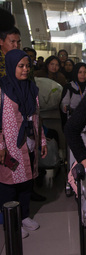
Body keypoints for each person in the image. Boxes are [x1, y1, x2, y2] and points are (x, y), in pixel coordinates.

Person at [0, 49, 48, 238]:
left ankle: (25, 215)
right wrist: (1, 147)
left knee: (27, 181)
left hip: (29, 143)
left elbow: (38, 117)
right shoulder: (2, 89)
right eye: (21, 66)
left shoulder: (31, 88)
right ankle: (11, 223)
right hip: (10, 147)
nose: (26, 70)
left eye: (28, 66)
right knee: (9, 186)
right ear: (12, 66)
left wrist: (41, 140)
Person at [60, 62, 86, 127]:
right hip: (73, 121)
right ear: (75, 73)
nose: (83, 75)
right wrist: (65, 107)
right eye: (80, 72)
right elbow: (64, 103)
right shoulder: (69, 87)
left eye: (85, 72)